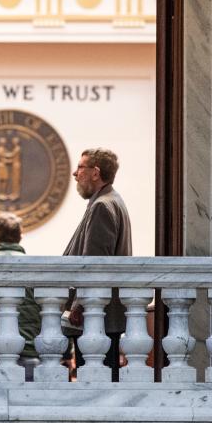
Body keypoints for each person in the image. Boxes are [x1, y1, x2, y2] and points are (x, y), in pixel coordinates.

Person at [62, 147, 132, 378]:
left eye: (80, 167)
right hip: (103, 315)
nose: (75, 173)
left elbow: (95, 263)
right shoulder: (112, 200)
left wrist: (79, 305)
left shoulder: (102, 205)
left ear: (95, 172)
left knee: (94, 381)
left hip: (95, 316)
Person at [0, 212, 41, 380]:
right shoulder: (38, 270)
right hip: (29, 354)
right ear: (20, 238)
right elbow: (55, 314)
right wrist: (67, 355)